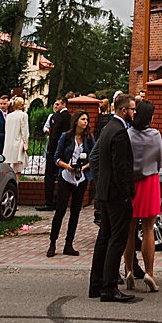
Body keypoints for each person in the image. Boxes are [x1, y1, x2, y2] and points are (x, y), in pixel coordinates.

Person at [88, 91, 136, 303]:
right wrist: (127, 193)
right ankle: (108, 287)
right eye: (133, 109)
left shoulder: (108, 128)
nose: (135, 112)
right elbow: (120, 167)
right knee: (117, 239)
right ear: (123, 110)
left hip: (105, 192)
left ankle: (96, 284)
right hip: (116, 194)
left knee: (104, 237)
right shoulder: (119, 132)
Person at [126, 98, 162, 292]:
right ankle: (149, 272)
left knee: (130, 228)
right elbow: (160, 160)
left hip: (132, 181)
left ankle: (129, 270)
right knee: (148, 228)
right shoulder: (155, 135)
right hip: (149, 181)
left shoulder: (128, 134)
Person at [48, 110, 92, 257]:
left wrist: (84, 167)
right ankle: (53, 243)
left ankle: (69, 244)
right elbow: (56, 157)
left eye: (87, 120)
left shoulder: (89, 138)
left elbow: (94, 156)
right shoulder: (66, 137)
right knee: (60, 211)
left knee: (75, 212)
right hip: (66, 176)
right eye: (82, 119)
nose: (85, 122)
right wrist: (68, 166)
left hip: (81, 178)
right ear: (76, 121)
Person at [44, 97, 72, 201]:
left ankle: (49, 201)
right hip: (65, 150)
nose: (56, 107)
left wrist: (51, 149)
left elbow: (54, 135)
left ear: (64, 104)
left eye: (58, 104)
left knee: (50, 175)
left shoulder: (57, 117)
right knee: (62, 175)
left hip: (55, 149)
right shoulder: (70, 117)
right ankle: (61, 199)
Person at [3, 95, 29, 177]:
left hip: (8, 143)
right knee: (18, 169)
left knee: (7, 166)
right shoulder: (23, 115)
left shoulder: (9, 116)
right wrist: (25, 142)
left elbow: (6, 129)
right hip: (18, 143)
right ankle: (16, 185)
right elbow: (25, 131)